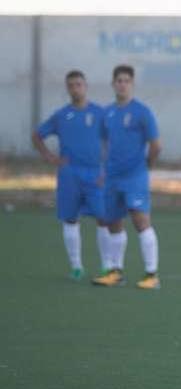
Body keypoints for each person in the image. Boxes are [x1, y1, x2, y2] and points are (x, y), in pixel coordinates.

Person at [32, 70, 112, 281]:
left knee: (103, 219)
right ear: (68, 89)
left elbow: (113, 140)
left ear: (86, 86)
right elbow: (37, 135)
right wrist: (50, 157)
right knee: (70, 219)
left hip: (96, 174)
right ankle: (76, 267)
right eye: (71, 85)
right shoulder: (61, 115)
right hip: (69, 174)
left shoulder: (99, 113)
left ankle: (107, 266)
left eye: (79, 84)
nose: (76, 88)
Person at [91, 65, 162, 290]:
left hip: (135, 177)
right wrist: (103, 170)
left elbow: (156, 145)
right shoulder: (107, 113)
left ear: (132, 84)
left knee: (141, 222)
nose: (122, 84)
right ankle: (116, 272)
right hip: (112, 178)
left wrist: (146, 167)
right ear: (113, 84)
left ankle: (151, 274)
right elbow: (103, 144)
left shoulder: (142, 112)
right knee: (113, 223)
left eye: (126, 81)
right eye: (118, 80)